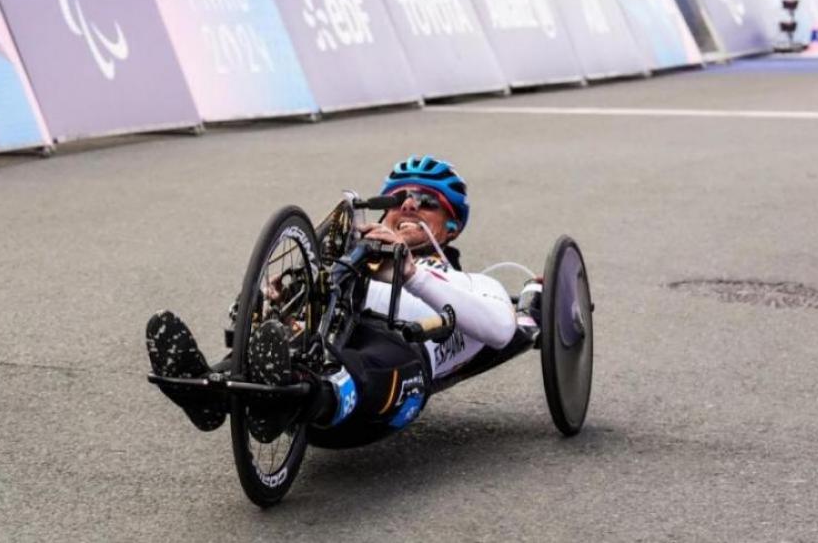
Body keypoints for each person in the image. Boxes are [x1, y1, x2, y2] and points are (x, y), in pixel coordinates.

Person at [145, 155, 541, 443]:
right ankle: (206, 391)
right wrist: (282, 300)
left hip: (397, 373)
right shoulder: (345, 266)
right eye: (399, 197)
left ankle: (296, 396)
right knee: (289, 336)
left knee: (376, 359)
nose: (408, 204)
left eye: (427, 201)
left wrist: (411, 275)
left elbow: (503, 329)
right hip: (330, 336)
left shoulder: (469, 282)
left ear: (452, 226)